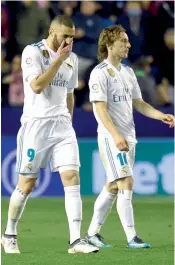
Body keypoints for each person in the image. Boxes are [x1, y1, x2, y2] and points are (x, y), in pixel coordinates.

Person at [1, 15, 99, 254]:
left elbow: (69, 94)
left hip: (63, 127)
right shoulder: (32, 53)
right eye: (64, 36)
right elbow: (36, 86)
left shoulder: (72, 59)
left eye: (72, 37)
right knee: (27, 183)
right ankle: (9, 234)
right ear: (51, 31)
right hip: (36, 126)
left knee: (72, 177)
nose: (69, 41)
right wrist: (58, 60)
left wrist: (69, 121)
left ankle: (76, 240)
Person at [86, 25, 174, 248]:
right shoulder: (99, 73)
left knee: (113, 186)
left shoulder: (128, 72)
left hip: (129, 136)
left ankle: (92, 234)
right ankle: (131, 237)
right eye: (123, 41)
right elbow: (100, 109)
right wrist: (115, 135)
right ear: (109, 45)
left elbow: (139, 103)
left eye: (127, 41)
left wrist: (160, 115)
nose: (129, 45)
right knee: (126, 180)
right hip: (110, 137)